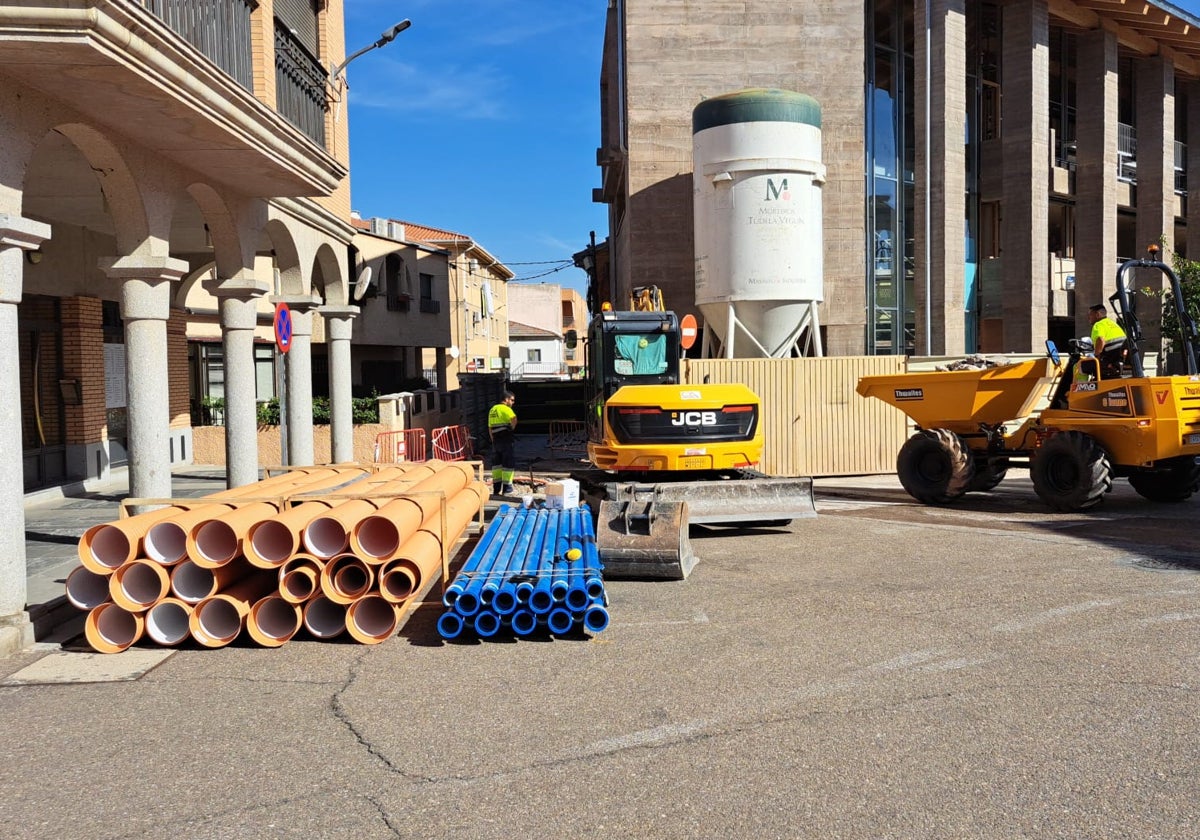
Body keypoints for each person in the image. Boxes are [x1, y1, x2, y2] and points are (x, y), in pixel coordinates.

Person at [488, 390, 518, 495]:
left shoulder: (493, 409)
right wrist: (511, 428)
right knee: (508, 464)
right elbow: (514, 419)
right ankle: (507, 489)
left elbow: (490, 427)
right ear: (506, 399)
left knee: (496, 465)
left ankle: (496, 490)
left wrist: (493, 440)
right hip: (506, 440)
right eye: (512, 400)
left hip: (496, 441)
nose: (513, 402)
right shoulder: (506, 409)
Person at [1088, 303, 1127, 379]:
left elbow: (1100, 340)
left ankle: (1081, 387)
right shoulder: (1112, 323)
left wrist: (1096, 356)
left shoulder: (1098, 325)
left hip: (1109, 360)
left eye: (1090, 315)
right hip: (1118, 359)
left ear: (1097, 314)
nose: (1088, 317)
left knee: (1082, 365)